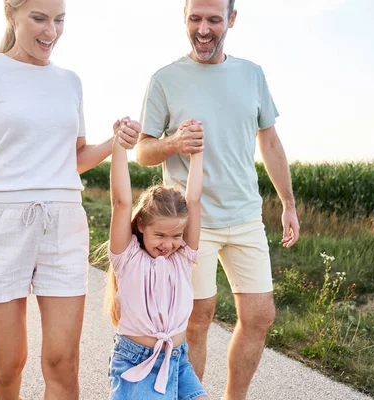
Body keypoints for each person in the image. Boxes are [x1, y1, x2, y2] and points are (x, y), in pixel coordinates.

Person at [0, 0, 139, 399]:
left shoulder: (70, 82)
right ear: (10, 14)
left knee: (63, 362)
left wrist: (114, 141)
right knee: (8, 365)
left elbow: (75, 158)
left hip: (64, 224)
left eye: (60, 20)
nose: (51, 31)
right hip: (0, 224)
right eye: (40, 18)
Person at [136, 0, 300, 398]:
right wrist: (174, 142)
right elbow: (142, 151)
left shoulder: (251, 74)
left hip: (245, 216)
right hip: (191, 221)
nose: (203, 29)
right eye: (195, 19)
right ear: (185, 18)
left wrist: (289, 204)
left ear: (231, 20)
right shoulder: (165, 79)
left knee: (260, 317)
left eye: (213, 19)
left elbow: (271, 141)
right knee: (197, 318)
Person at [106, 118, 208, 399]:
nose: (169, 244)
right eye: (160, 235)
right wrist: (119, 146)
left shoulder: (183, 258)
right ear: (141, 226)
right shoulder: (127, 258)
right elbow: (121, 202)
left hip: (177, 360)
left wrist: (196, 151)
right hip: (137, 362)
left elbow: (195, 199)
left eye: (176, 236)